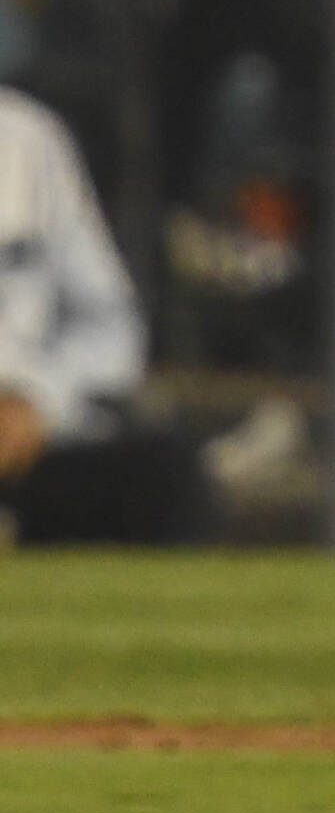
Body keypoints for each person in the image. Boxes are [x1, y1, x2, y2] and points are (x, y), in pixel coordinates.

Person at [0, 86, 215, 543]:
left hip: (26, 435)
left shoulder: (27, 137)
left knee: (166, 475)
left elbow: (112, 324)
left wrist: (37, 400)